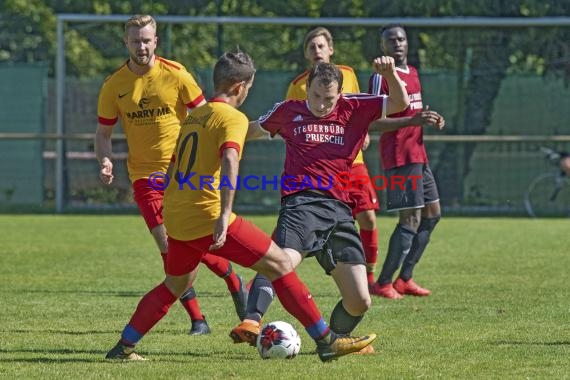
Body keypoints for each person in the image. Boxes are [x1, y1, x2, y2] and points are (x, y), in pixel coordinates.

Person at [104, 49, 376, 362]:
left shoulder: (194, 116)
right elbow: (230, 159)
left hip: (178, 215)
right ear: (239, 87)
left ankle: (123, 347)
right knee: (280, 265)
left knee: (176, 283)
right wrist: (223, 215)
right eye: (249, 87)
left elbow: (176, 166)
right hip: (208, 214)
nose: (248, 93)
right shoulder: (231, 117)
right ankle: (328, 341)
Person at [230, 58, 417, 352]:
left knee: (360, 300)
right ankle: (252, 320)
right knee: (282, 261)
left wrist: (391, 73)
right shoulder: (288, 111)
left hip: (340, 212)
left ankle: (333, 341)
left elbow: (400, 104)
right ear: (307, 90)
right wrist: (217, 130)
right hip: (301, 205)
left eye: (328, 99)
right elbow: (250, 130)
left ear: (340, 94)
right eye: (315, 96)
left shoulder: (355, 107)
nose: (320, 104)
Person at [95, 14, 247, 335]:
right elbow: (103, 134)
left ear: (156, 41)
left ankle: (232, 279)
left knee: (197, 242)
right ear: (126, 43)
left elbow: (208, 115)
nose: (141, 46)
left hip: (184, 174)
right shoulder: (114, 85)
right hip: (145, 178)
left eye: (147, 40)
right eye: (135, 40)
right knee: (169, 247)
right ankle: (198, 319)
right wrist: (105, 160)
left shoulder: (176, 74)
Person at [286, 27, 380, 286]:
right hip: (317, 167)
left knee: (368, 217)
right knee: (296, 219)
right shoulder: (296, 86)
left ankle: (370, 279)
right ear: (306, 53)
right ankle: (271, 270)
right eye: (311, 46)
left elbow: (360, 107)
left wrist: (364, 132)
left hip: (352, 162)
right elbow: (291, 123)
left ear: (331, 49)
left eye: (321, 45)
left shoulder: (348, 74)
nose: (317, 50)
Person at [367, 24, 445, 299]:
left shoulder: (412, 72)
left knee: (432, 215)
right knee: (410, 219)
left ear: (407, 43)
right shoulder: (380, 77)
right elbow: (374, 121)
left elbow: (414, 110)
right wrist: (412, 120)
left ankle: (405, 278)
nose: (397, 43)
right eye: (391, 40)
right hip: (399, 156)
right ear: (383, 46)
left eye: (401, 39)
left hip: (419, 155)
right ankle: (383, 282)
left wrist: (429, 117)